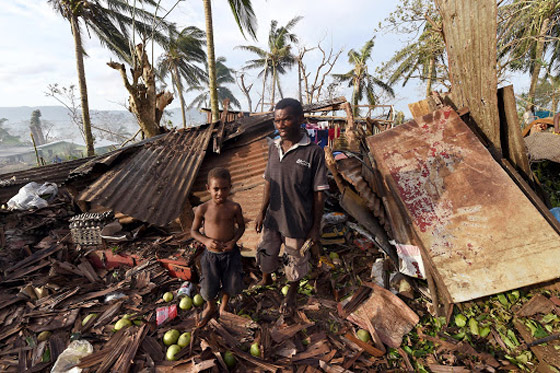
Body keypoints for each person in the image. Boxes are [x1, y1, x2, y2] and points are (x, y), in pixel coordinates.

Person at [255, 98, 329, 317]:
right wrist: (261, 210)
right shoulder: (273, 147)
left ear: (300, 119)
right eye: (277, 120)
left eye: (287, 119)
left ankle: (291, 293)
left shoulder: (313, 152)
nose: (281, 125)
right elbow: (269, 180)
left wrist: (315, 227)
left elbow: (319, 193)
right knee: (266, 251)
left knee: (294, 260)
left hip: (297, 220)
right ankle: (266, 278)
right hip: (273, 217)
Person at [190, 167, 245, 327]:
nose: (220, 193)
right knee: (208, 286)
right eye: (216, 189)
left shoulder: (234, 207)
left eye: (224, 188)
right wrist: (206, 241)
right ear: (208, 188)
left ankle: (224, 304)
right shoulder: (203, 209)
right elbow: (193, 231)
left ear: (230, 187)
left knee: (232, 282)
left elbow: (241, 227)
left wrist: (233, 241)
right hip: (210, 256)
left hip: (230, 254)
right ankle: (211, 306)